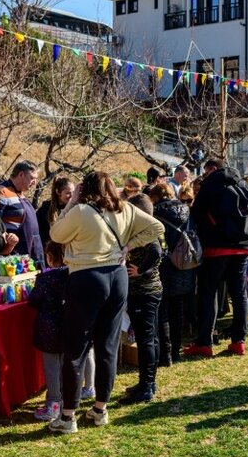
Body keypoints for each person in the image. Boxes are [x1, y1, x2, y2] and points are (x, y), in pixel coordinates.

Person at [47, 171, 165, 433]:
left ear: (85, 189)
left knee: (76, 347)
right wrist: (129, 246)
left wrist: (70, 203)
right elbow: (157, 228)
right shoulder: (125, 209)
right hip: (118, 277)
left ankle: (68, 416)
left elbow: (56, 234)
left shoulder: (80, 211)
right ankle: (100, 409)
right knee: (108, 346)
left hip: (86, 276)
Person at [184, 159, 248, 358]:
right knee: (239, 294)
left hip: (215, 247)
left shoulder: (210, 186)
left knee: (208, 293)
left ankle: (205, 341)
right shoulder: (245, 185)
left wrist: (204, 239)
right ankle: (239, 341)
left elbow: (196, 214)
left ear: (212, 169)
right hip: (243, 247)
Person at [121, 192, 164, 405]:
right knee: (150, 338)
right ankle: (148, 382)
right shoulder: (147, 230)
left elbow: (156, 252)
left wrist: (140, 270)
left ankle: (146, 387)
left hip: (144, 292)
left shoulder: (147, 232)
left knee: (145, 339)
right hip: (149, 291)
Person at [151, 183, 195, 365]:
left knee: (162, 312)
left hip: (165, 266)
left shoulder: (155, 214)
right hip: (184, 264)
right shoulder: (186, 210)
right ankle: (176, 351)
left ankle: (165, 354)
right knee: (178, 310)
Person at [30, 241, 70, 421]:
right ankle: (64, 398)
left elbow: (34, 300)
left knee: (51, 365)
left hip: (49, 328)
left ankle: (54, 402)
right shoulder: (73, 274)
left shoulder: (46, 278)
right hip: (68, 324)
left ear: (49, 257)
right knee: (65, 363)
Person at [0, 161, 44, 264]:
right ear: (21, 174)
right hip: (14, 257)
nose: (34, 182)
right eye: (32, 178)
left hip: (32, 253)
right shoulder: (2, 192)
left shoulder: (21, 194)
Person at [37, 177, 74, 249]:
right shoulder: (46, 209)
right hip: (47, 249)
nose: (72, 196)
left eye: (73, 192)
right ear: (58, 192)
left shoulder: (73, 208)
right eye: (68, 193)